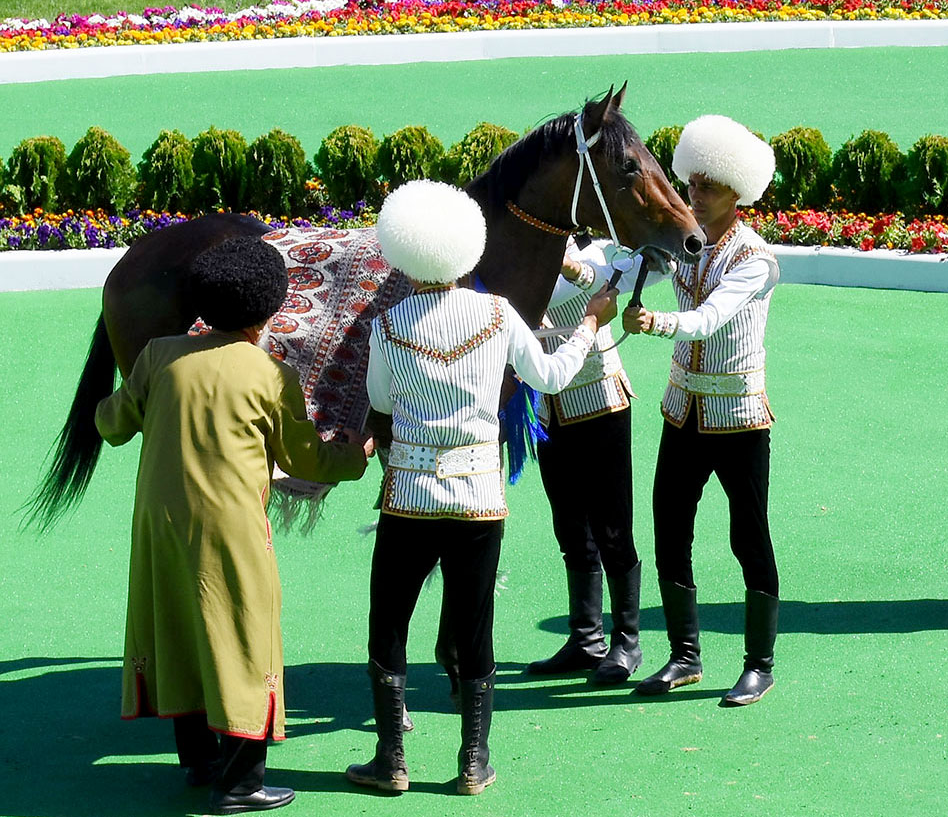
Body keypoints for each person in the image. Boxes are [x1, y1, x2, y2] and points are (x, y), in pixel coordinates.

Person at [347, 179, 617, 796]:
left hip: (408, 499)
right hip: (478, 498)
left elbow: (381, 402)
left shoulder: (388, 324)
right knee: (475, 627)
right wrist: (590, 325)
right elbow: (548, 377)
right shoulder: (498, 314)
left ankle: (390, 760)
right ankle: (474, 760)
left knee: (388, 624)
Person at [95, 235, 372, 815]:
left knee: (175, 624)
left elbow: (113, 426)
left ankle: (198, 761)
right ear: (270, 308)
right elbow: (305, 461)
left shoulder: (157, 356)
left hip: (157, 525)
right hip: (230, 528)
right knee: (243, 633)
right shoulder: (270, 374)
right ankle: (241, 782)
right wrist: (355, 454)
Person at [622, 114, 781, 707]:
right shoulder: (687, 239)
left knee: (749, 537)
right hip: (681, 412)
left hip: (739, 418)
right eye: (692, 183)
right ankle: (685, 656)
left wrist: (655, 321)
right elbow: (627, 261)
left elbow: (710, 316)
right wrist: (578, 269)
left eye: (709, 187)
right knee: (669, 528)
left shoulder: (756, 260)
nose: (696, 195)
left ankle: (759, 664)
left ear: (739, 194)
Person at [527, 236, 670, 685]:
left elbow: (631, 273)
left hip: (601, 402)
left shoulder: (601, 247)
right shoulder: (520, 247)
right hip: (550, 408)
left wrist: (572, 267)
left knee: (612, 527)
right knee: (569, 525)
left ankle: (627, 640)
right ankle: (586, 637)